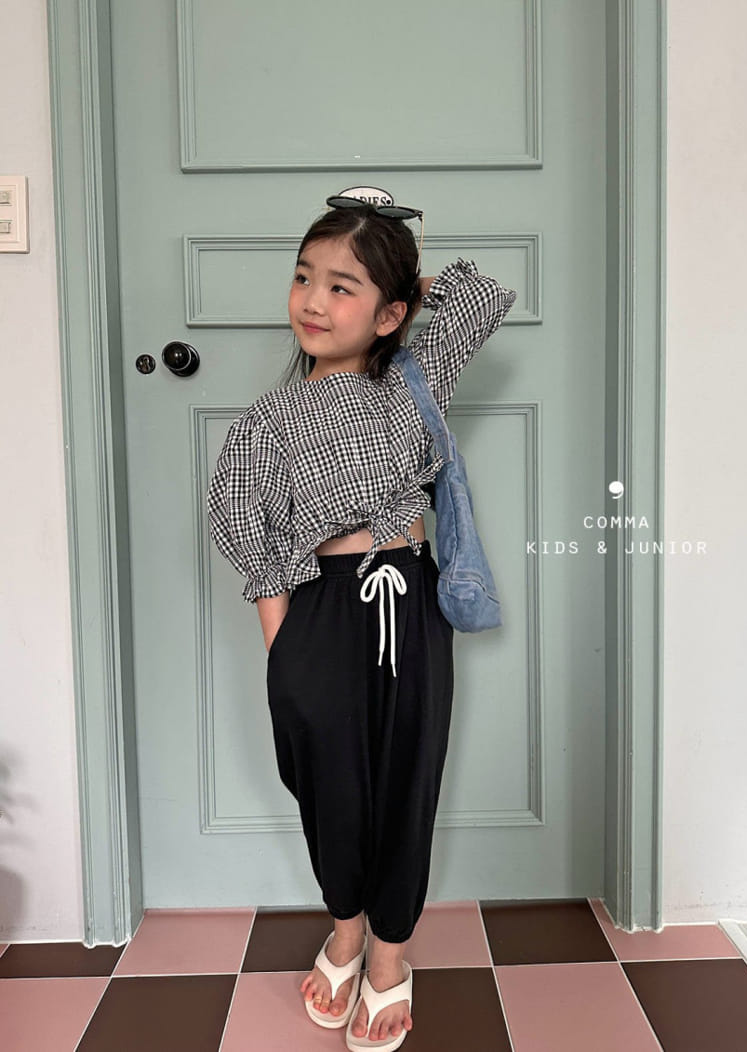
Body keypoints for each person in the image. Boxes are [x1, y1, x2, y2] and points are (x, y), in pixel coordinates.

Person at [206, 195, 516, 1051]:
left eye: (343, 287)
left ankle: (387, 954)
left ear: (389, 313)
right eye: (304, 278)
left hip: (408, 600)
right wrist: (286, 653)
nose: (313, 301)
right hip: (318, 608)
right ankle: (344, 926)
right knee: (328, 784)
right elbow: (257, 543)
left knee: (408, 777)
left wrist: (398, 263)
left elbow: (482, 297)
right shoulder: (267, 423)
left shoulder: (414, 379)